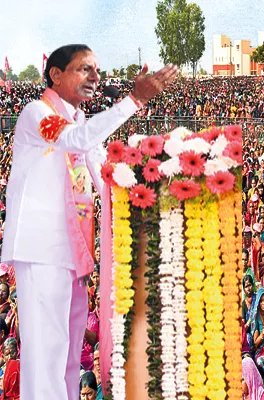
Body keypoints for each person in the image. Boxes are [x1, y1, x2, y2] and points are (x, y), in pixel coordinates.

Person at [0, 44, 178, 399]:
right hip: (42, 250)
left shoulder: (81, 122)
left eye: (97, 70)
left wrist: (163, 177)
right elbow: (74, 141)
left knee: (68, 358)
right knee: (48, 354)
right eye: (85, 69)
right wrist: (133, 101)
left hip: (76, 253)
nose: (95, 77)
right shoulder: (37, 114)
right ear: (56, 75)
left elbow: (105, 176)